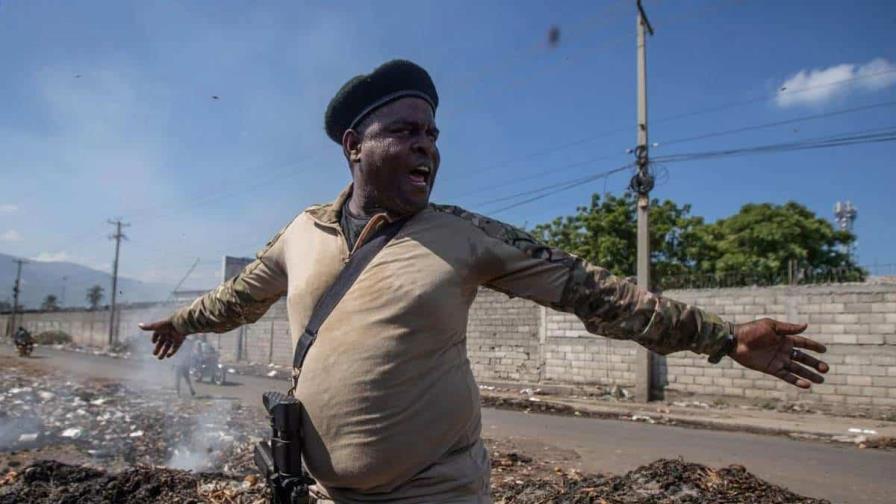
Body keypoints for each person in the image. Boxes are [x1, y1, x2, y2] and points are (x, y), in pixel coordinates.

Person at [140, 60, 829, 503]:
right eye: (406, 130)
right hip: (324, 493)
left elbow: (595, 292)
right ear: (354, 146)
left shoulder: (467, 237)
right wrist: (182, 321)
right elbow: (239, 298)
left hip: (436, 492)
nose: (427, 146)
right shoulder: (300, 234)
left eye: (433, 135)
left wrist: (722, 335)